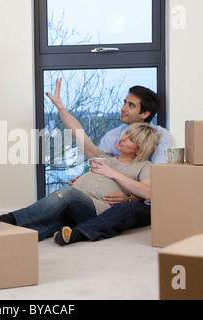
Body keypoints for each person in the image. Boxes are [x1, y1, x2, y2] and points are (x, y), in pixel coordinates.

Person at [0, 78, 160, 241]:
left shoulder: (144, 166)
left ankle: (9, 219)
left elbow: (148, 192)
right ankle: (13, 237)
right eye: (126, 134)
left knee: (68, 193)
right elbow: (78, 132)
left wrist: (112, 173)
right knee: (52, 223)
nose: (124, 138)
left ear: (140, 148)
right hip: (77, 204)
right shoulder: (105, 156)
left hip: (98, 209)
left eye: (131, 139)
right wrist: (59, 106)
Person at [51, 81, 172, 246]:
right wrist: (83, 181)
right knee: (70, 202)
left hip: (142, 201)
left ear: (145, 113)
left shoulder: (161, 136)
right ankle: (36, 227)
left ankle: (79, 233)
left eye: (131, 105)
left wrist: (130, 197)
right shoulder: (112, 136)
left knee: (127, 209)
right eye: (124, 103)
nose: (123, 108)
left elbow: (159, 183)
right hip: (107, 197)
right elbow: (99, 164)